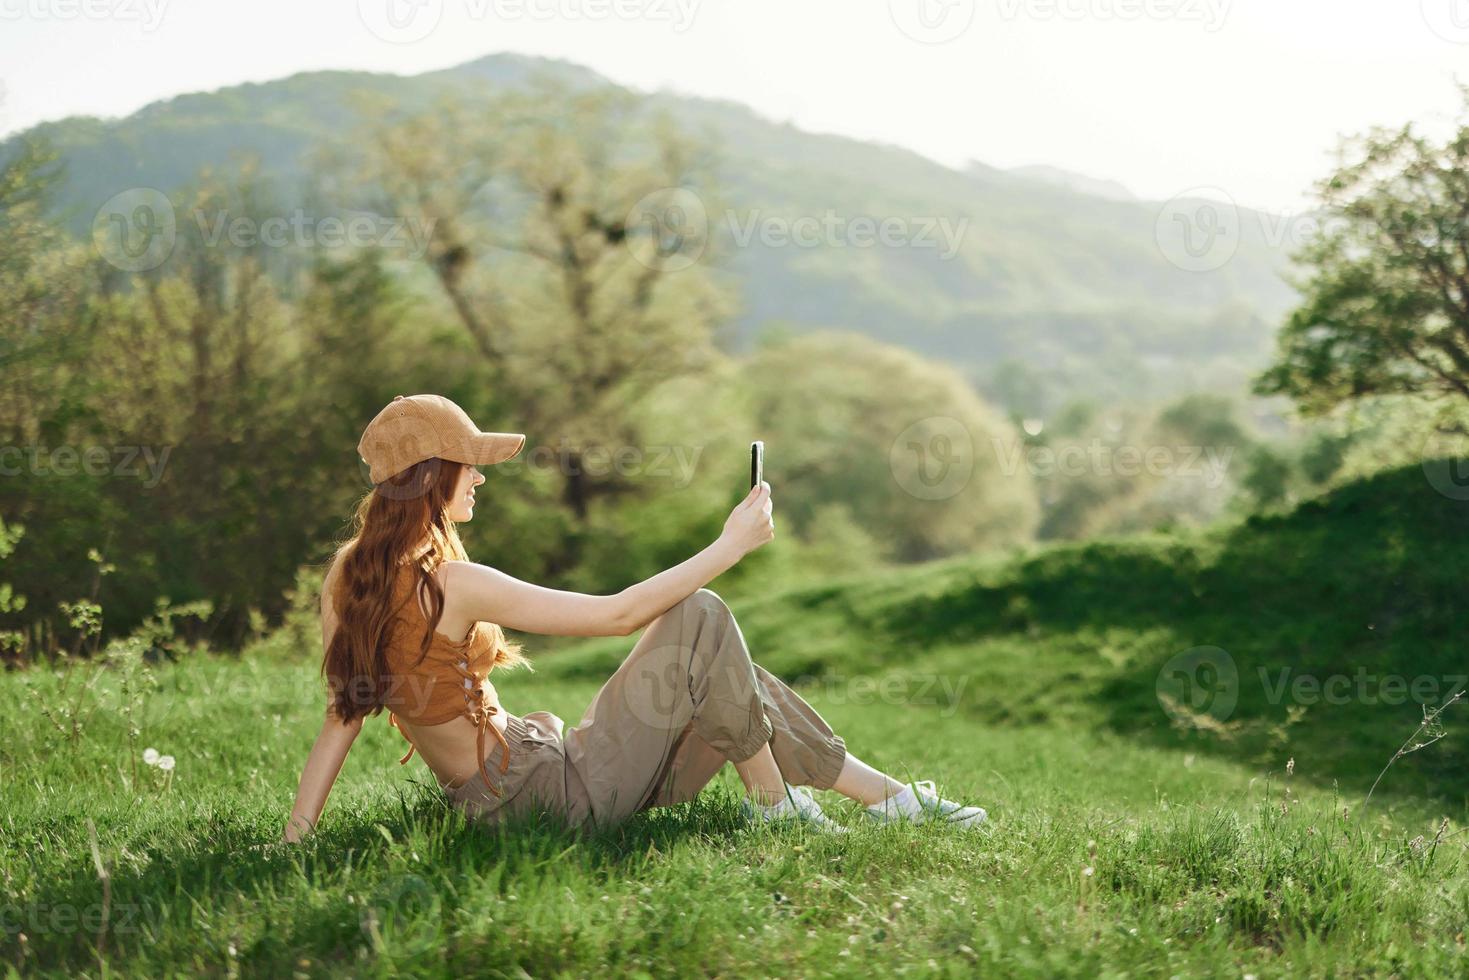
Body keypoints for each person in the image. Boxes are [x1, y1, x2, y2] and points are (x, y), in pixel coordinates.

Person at [281, 394, 987, 842]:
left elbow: (344, 713)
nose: (483, 477)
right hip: (552, 798)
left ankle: (887, 799)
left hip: (517, 793)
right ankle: (774, 807)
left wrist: (295, 836)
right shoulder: (453, 583)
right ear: (435, 474)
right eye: (472, 465)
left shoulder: (347, 577)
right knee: (702, 613)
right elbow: (617, 615)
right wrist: (728, 546)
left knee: (719, 668)